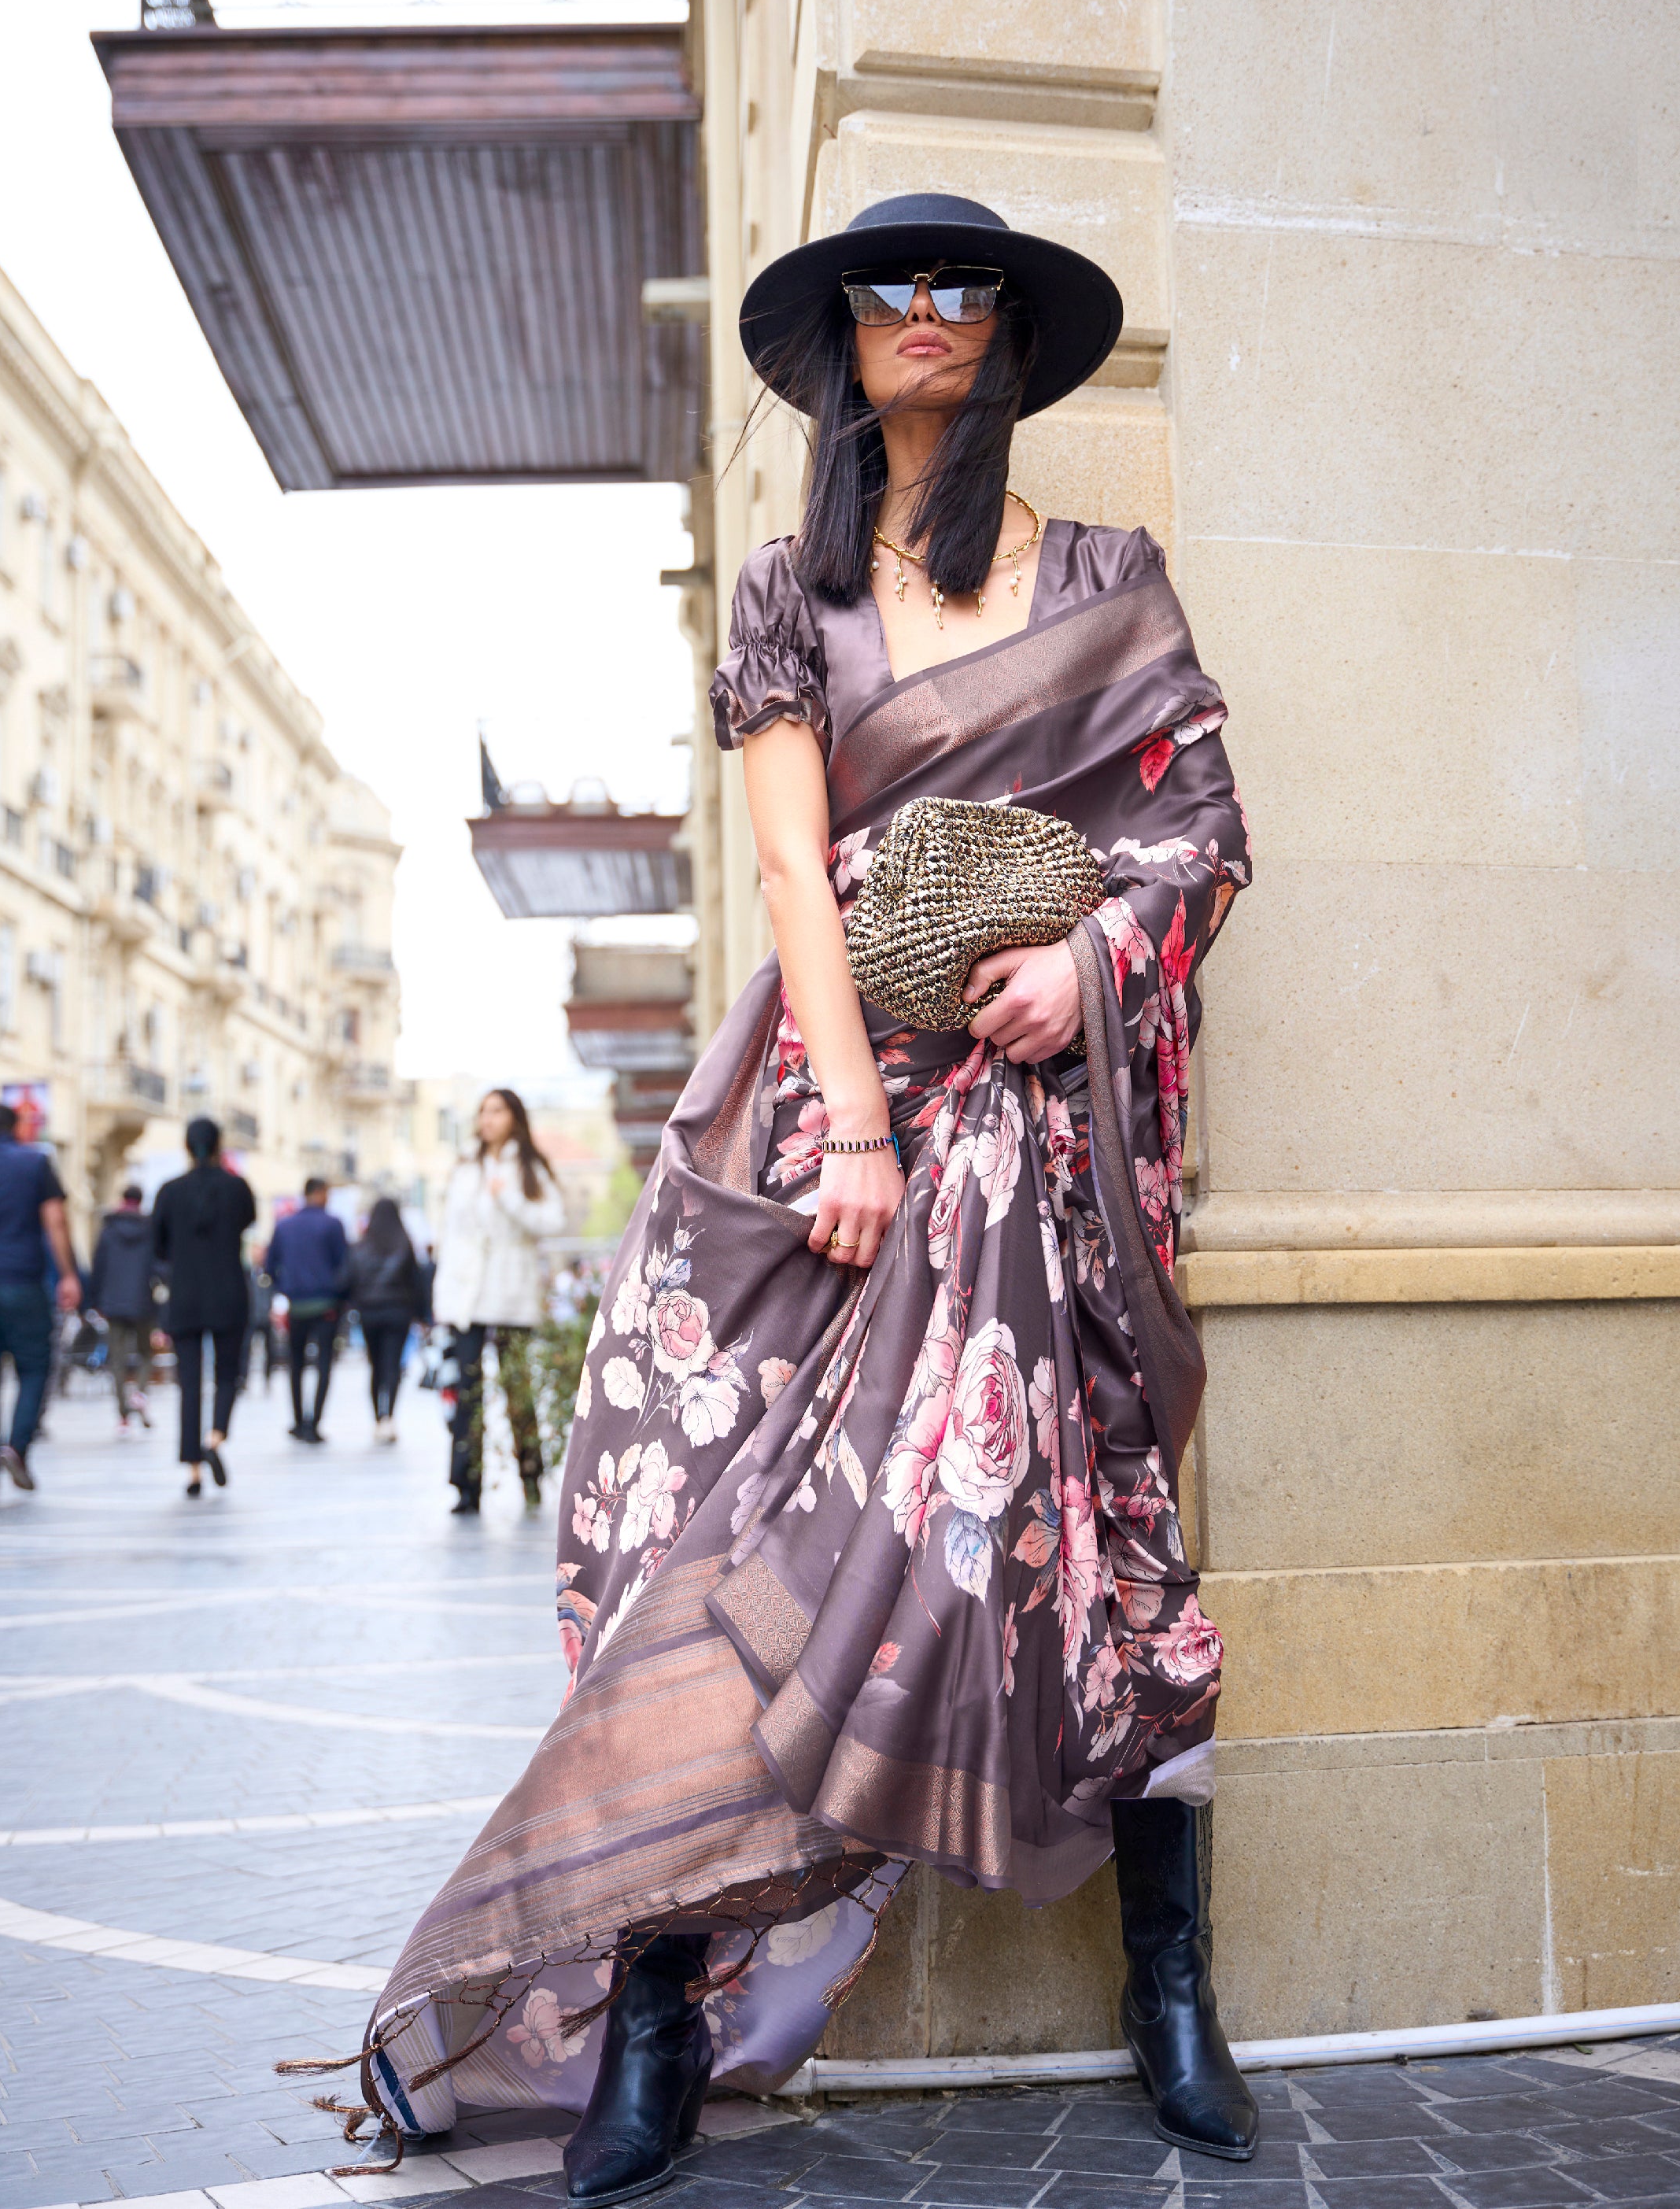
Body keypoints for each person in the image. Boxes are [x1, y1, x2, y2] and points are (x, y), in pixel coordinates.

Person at [315, 197, 1257, 2188]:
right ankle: (654, 2011)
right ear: (845, 338)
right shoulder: (783, 593)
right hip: (819, 1135)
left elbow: (1202, 831)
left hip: (1050, 1130)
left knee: (1101, 1538)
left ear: (1007, 336)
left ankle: (1171, 1984)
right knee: (699, 1536)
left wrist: (1085, 967)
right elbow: (785, 873)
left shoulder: (1110, 574)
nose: (929, 315)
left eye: (964, 289)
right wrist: (852, 1120)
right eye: (891, 291)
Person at [433, 1087, 563, 1515]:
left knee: (516, 1391)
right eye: (482, 1111)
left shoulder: (527, 1166)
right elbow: (452, 1236)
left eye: (497, 1111)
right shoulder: (465, 1166)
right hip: (467, 1298)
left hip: (511, 1292)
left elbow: (553, 1220)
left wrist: (508, 1197)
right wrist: (444, 1296)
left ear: (514, 1118)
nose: (487, 1119)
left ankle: (530, 1478)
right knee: (465, 1392)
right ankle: (465, 1486)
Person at [0, 1101, 81, 1498]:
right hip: (22, 1281)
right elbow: (55, 1220)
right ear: (18, 1128)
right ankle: (17, 1447)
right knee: (35, 1368)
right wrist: (69, 1274)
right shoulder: (35, 1165)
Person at [151, 1118, 256, 1498]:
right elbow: (248, 1223)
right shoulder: (237, 1188)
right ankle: (215, 1437)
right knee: (228, 1373)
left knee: (189, 1382)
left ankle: (193, 1470)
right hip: (228, 1292)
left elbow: (158, 1246)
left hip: (186, 1295)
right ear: (219, 1145)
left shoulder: (169, 1191)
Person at [264, 1177, 349, 1443]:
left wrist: (284, 1290)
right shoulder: (332, 1225)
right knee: (324, 1363)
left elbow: (269, 1266)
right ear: (321, 1193)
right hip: (326, 1304)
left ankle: (299, 1420)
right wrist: (338, 1295)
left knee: (296, 1364)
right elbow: (345, 1265)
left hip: (296, 1304)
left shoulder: (285, 1226)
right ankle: (314, 1422)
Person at [347, 1195, 429, 1444]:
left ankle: (377, 1418)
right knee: (393, 1364)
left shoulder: (361, 1246)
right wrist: (423, 1315)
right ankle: (388, 1418)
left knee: (376, 1366)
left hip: (370, 1313)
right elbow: (417, 1283)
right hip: (398, 1313)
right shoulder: (404, 1245)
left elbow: (351, 1280)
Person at [86, 1182, 157, 1433]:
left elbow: (98, 1267)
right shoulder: (149, 1229)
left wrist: (94, 1301)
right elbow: (158, 1265)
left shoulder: (109, 1229)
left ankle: (123, 1415)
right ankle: (139, 1392)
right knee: (146, 1353)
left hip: (113, 1303)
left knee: (117, 1359)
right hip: (142, 1302)